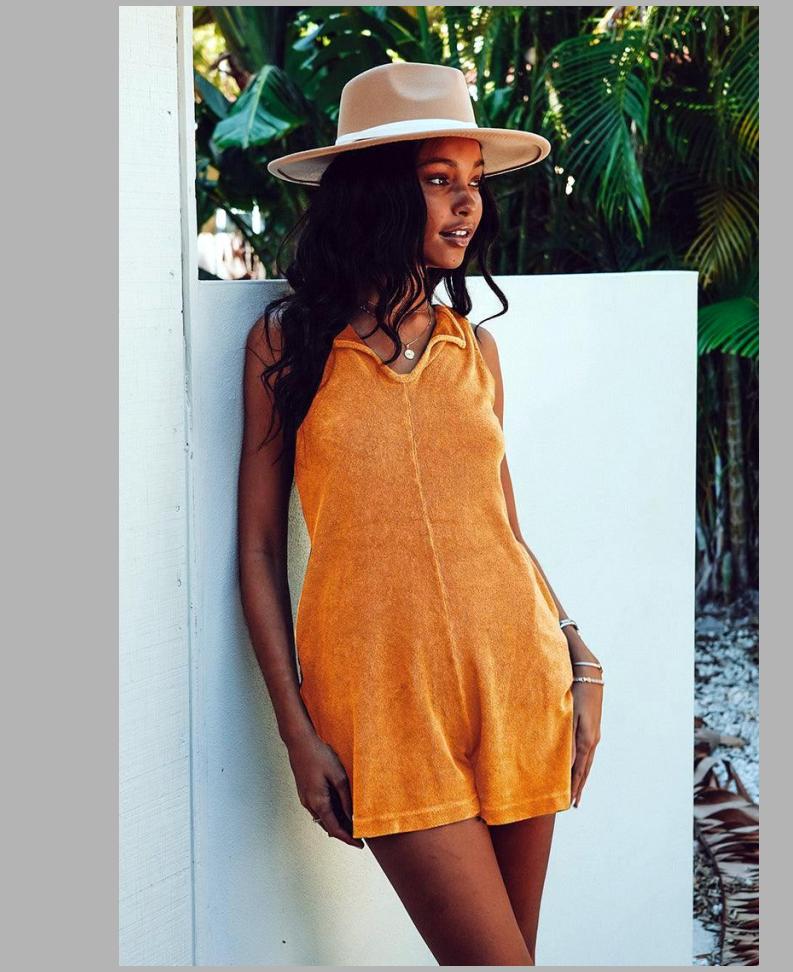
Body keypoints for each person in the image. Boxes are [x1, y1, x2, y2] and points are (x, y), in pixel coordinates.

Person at [236, 62, 604, 966]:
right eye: (440, 179)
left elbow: (502, 528)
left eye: (473, 181)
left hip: (517, 677)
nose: (467, 204)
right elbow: (257, 548)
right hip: (381, 704)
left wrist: (578, 655)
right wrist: (295, 730)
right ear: (375, 193)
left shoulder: (474, 349)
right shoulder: (287, 346)